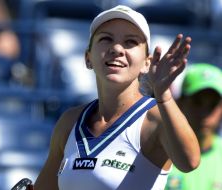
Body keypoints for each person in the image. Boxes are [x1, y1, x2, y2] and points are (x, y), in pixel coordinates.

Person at [33, 5, 200, 190]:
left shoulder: (154, 118)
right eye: (106, 39)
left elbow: (189, 162)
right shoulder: (69, 121)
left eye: (130, 42)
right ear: (88, 58)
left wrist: (164, 95)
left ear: (147, 62)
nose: (117, 48)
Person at [166, 63, 222, 190]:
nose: (204, 113)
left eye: (212, 105)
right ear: (180, 103)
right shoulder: (159, 152)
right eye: (197, 102)